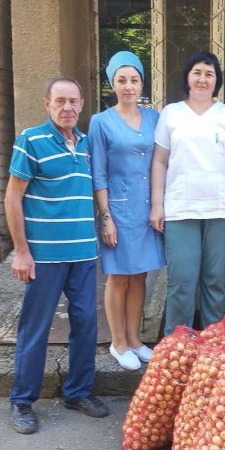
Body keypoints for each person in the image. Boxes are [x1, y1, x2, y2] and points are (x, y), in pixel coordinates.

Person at [4, 76, 109, 435]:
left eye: (73, 102)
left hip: (83, 252)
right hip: (44, 256)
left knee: (85, 324)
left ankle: (77, 392)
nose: (67, 108)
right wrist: (21, 252)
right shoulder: (30, 140)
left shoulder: (85, 143)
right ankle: (22, 401)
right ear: (46, 103)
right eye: (60, 101)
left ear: (81, 105)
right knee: (36, 328)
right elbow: (12, 197)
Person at [150, 51, 225, 334]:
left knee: (215, 280)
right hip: (180, 209)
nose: (203, 79)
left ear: (216, 81)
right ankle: (176, 346)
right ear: (188, 78)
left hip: (220, 209)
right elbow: (159, 160)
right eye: (197, 73)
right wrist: (157, 204)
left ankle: (212, 345)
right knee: (181, 280)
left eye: (209, 74)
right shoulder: (171, 113)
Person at [88, 51, 165, 371]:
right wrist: (105, 217)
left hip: (148, 209)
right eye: (121, 80)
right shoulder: (100, 122)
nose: (128, 86)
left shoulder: (155, 118)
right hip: (118, 210)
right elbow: (99, 174)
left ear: (142, 82)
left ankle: (135, 339)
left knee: (140, 276)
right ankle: (118, 343)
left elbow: (163, 161)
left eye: (134, 79)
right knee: (118, 276)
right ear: (112, 84)